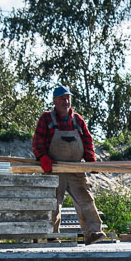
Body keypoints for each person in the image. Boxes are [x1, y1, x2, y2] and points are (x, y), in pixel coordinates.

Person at [33, 85, 106, 243]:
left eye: (68, 98)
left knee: (86, 200)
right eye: (62, 99)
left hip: (75, 169)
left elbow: (87, 141)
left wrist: (90, 159)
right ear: (54, 101)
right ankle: (51, 236)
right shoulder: (46, 118)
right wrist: (42, 158)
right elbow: (37, 143)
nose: (66, 101)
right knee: (52, 204)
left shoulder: (77, 119)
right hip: (54, 169)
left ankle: (93, 232)